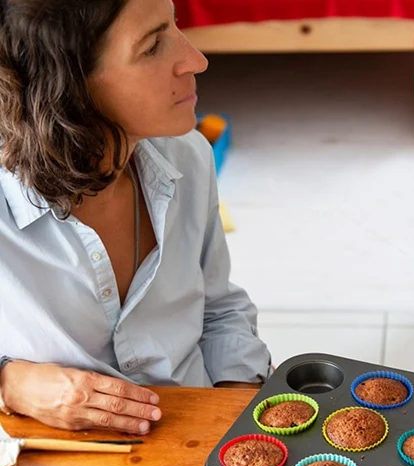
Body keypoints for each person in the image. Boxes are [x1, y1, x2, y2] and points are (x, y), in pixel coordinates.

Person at [0, 0, 271, 435]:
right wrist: (10, 385)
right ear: (69, 85)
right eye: (152, 47)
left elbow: (219, 308)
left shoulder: (189, 155)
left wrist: (235, 424)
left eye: (175, 26)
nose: (196, 60)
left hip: (195, 438)